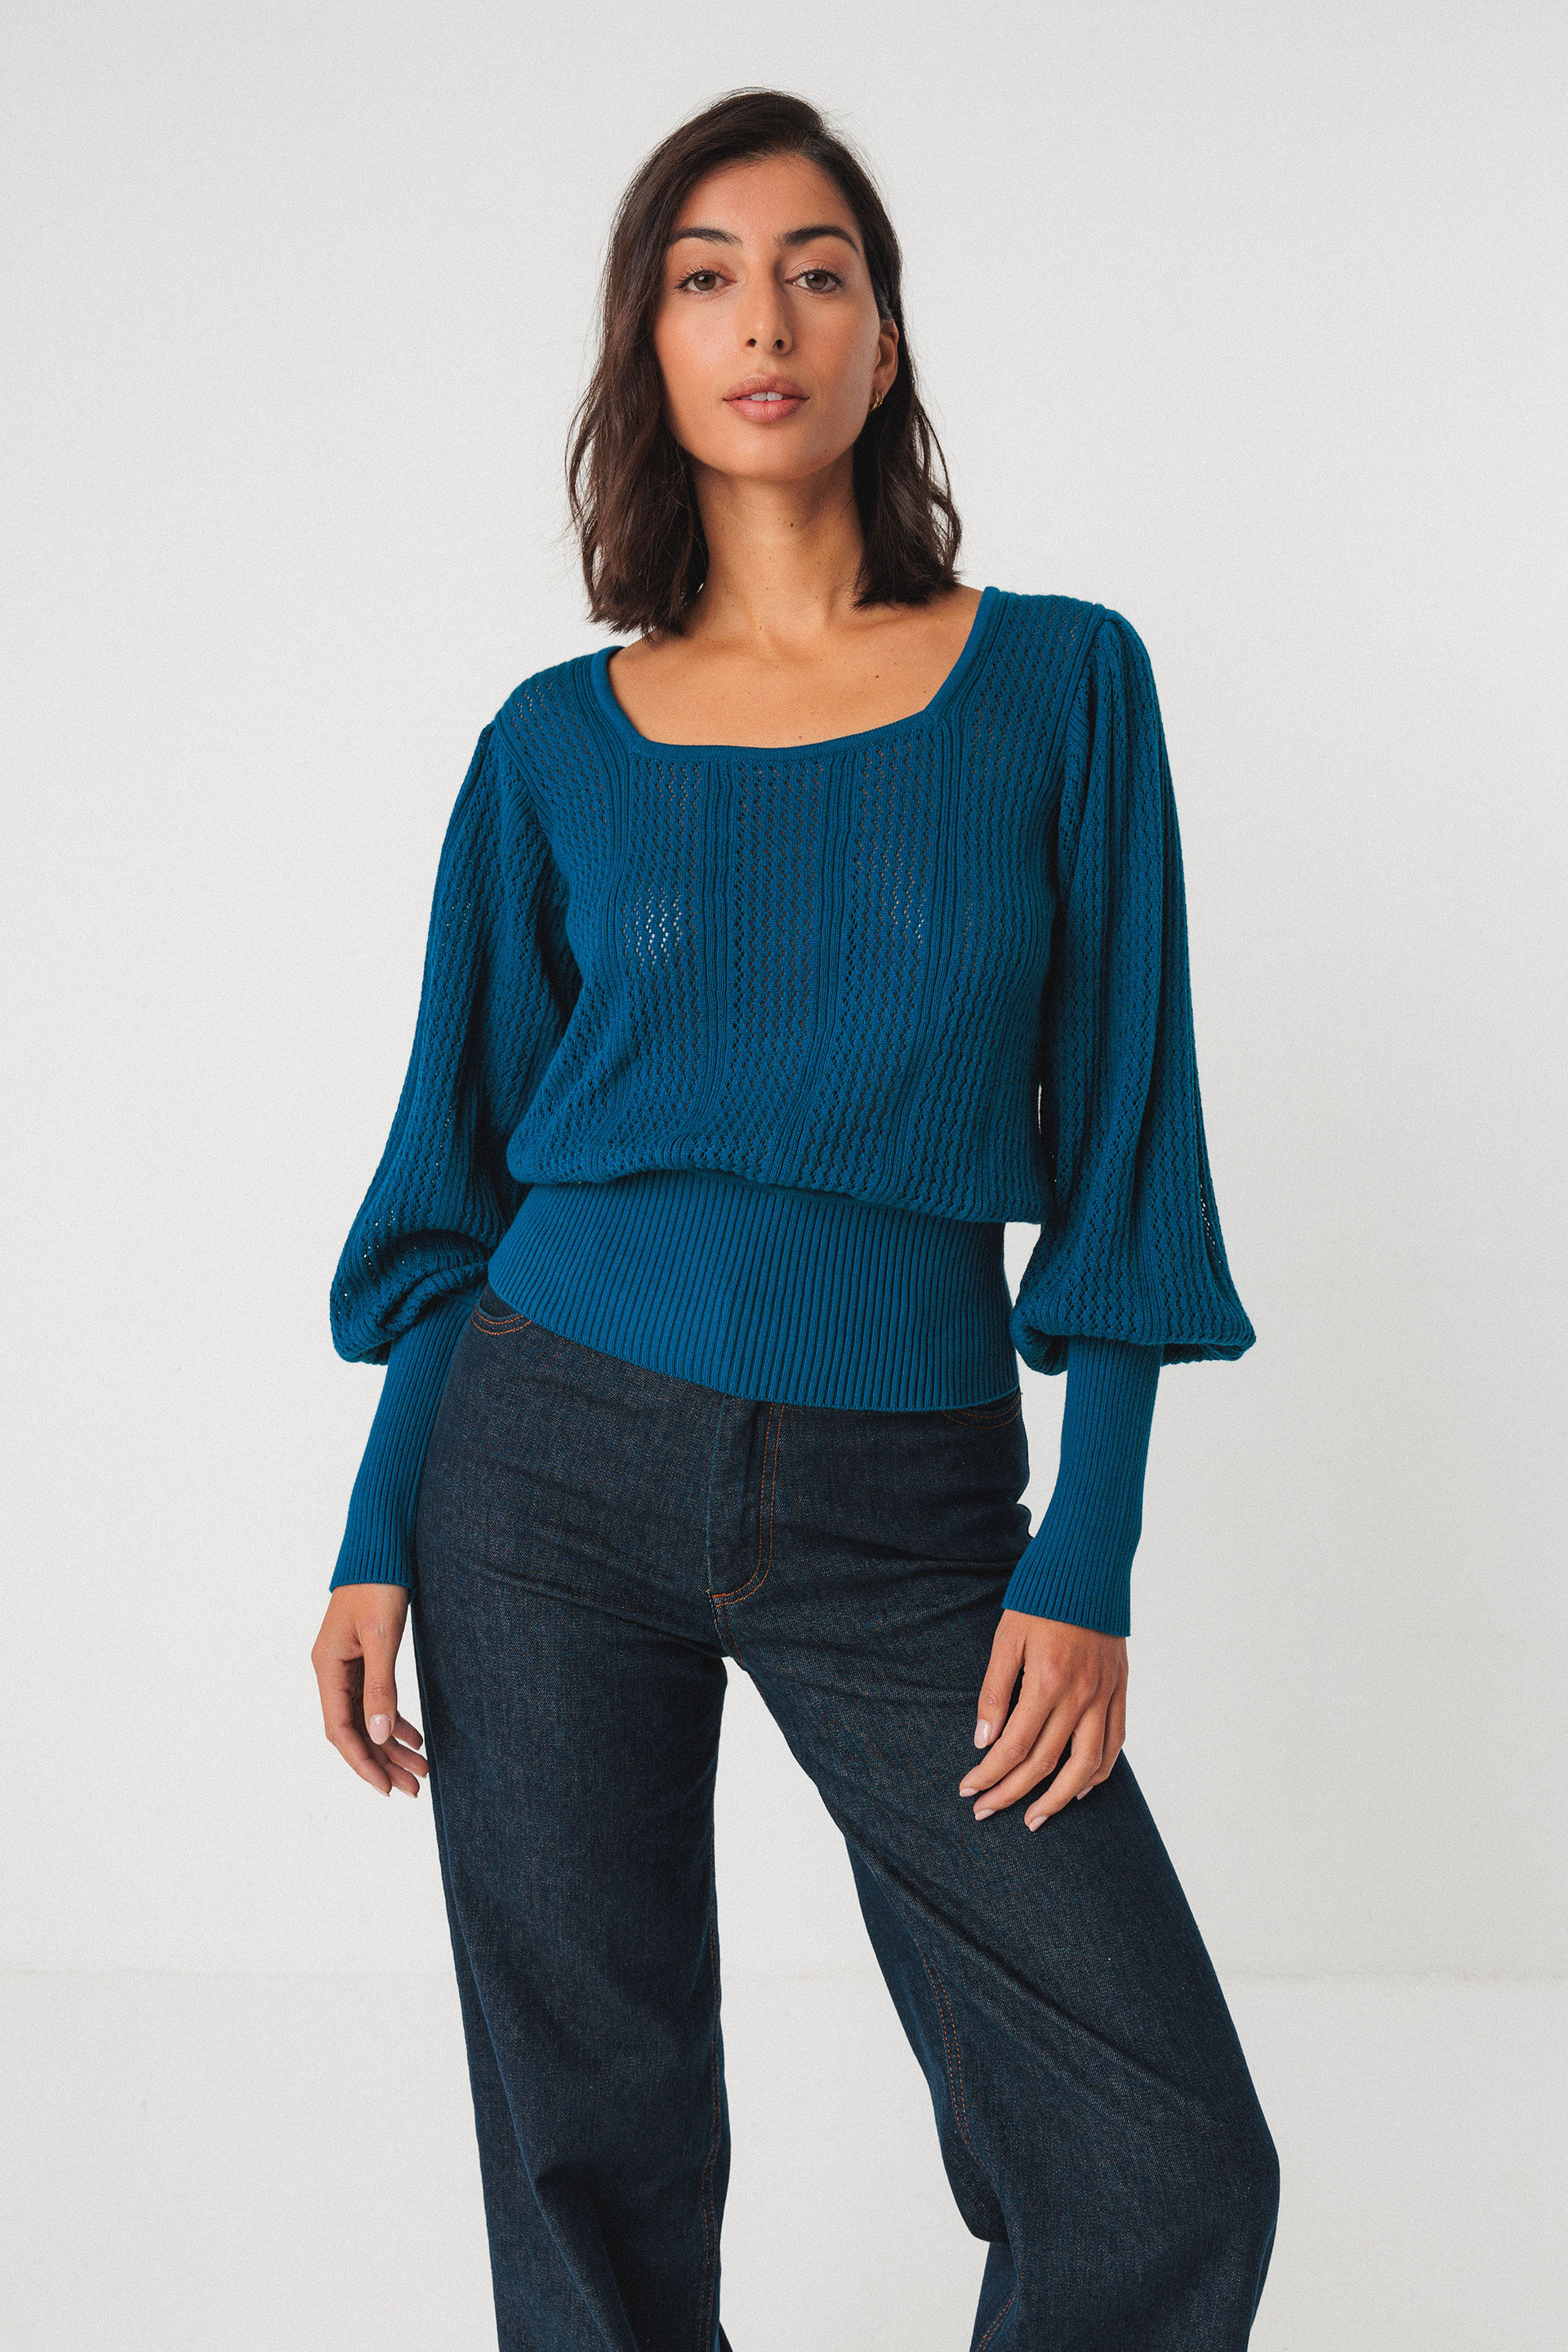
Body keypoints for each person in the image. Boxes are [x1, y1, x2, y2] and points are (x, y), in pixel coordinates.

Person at [311, 86, 1280, 2352]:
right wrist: (377, 1528)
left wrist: (1090, 1550)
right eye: (707, 275)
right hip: (539, 1467)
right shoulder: (553, 746)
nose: (767, 318)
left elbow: (1133, 1149)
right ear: (649, 346)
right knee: (592, 2150)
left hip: (906, 1502)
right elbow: (460, 1189)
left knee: (1159, 2156)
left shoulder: (1061, 683)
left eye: (818, 271)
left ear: (883, 337)